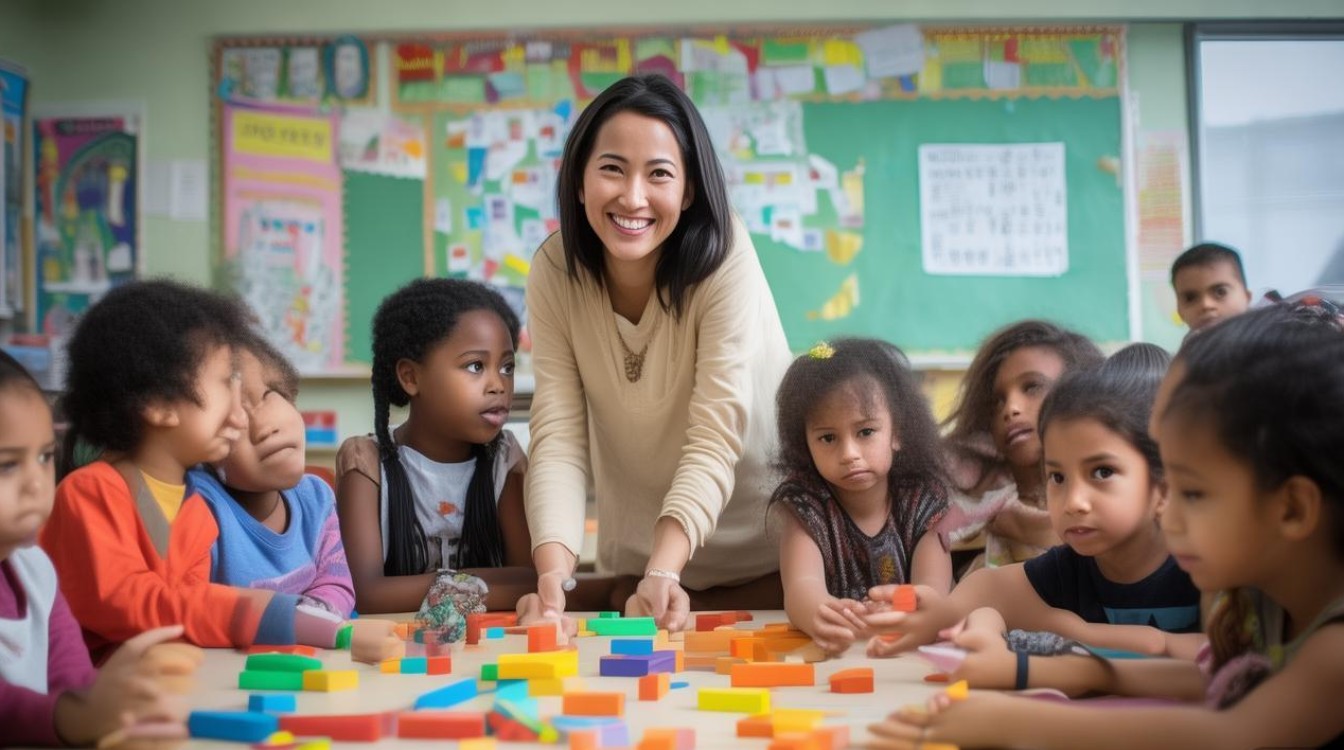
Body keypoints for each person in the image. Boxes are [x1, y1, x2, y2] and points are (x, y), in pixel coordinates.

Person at [867, 304, 1344, 750]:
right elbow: (1213, 678)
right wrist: (1081, 673)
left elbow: (1232, 733)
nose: (1169, 513)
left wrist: (1013, 721)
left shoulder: (1335, 650)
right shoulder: (1256, 601)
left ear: (1293, 509)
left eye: (1192, 492)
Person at [521, 73, 793, 631]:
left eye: (660, 174)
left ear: (688, 190)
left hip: (770, 554)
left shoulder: (724, 256)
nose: (633, 197)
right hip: (643, 571)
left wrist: (666, 571)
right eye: (612, 169)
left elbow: (717, 430)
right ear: (578, 181)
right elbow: (559, 435)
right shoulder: (553, 271)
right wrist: (554, 577)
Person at [41, 280, 344, 661]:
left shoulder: (193, 509)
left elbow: (187, 622)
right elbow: (142, 606)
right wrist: (274, 614)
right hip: (91, 698)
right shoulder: (90, 494)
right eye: (224, 387)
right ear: (160, 404)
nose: (239, 416)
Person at [864, 344, 1202, 659]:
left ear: (1164, 483)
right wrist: (941, 613)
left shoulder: (1203, 564)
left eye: (1102, 472)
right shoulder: (1067, 569)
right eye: (1057, 477)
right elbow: (987, 587)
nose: (1073, 502)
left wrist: (1077, 631)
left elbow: (1229, 656)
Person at [0, 351, 188, 748]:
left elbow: (74, 681)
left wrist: (115, 712)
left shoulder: (35, 570)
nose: (37, 482)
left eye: (45, 457)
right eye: (7, 465)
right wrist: (76, 717)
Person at [335, 278, 533, 615]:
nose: (498, 385)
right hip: (396, 654)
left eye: (507, 367)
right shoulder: (367, 466)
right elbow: (367, 594)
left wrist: (418, 588)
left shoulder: (504, 460)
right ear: (411, 378)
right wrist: (495, 584)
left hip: (490, 647)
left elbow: (532, 579)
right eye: (475, 366)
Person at [770, 339, 950, 654]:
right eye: (828, 438)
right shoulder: (805, 504)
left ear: (898, 432)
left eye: (865, 432)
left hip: (906, 657)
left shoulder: (924, 500)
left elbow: (934, 594)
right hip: (840, 653)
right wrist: (821, 613)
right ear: (805, 445)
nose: (849, 454)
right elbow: (801, 589)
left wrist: (901, 608)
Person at [189, 332, 355, 616]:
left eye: (268, 395)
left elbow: (337, 585)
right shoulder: (198, 503)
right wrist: (295, 623)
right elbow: (196, 605)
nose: (267, 426)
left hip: (310, 656)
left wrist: (307, 625)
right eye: (233, 413)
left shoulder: (316, 497)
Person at [940, 321, 1104, 570]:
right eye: (997, 402)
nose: (1010, 408)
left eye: (1032, 387)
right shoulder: (987, 511)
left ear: (1083, 393)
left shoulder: (1117, 502)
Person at [1170, 242, 1251, 332]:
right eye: (1190, 298)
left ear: (1246, 297)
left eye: (1220, 292)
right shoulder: (1190, 345)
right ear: (1179, 311)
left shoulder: (1267, 339)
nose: (1206, 304)